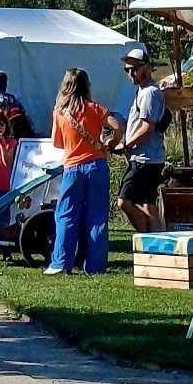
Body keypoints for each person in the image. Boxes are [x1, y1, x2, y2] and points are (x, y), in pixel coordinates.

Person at [47, 67, 121, 276]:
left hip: (72, 167)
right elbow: (117, 127)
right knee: (97, 217)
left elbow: (57, 143)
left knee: (66, 216)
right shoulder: (96, 108)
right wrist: (108, 144)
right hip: (96, 165)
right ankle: (95, 266)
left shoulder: (60, 112)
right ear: (87, 85)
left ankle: (61, 263)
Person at [116, 44, 169, 235]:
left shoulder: (149, 93)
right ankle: (157, 245)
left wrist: (125, 144)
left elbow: (147, 128)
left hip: (144, 158)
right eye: (127, 70)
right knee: (148, 204)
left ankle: (147, 239)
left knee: (124, 201)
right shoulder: (145, 90)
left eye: (135, 68)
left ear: (147, 67)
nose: (131, 74)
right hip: (149, 157)